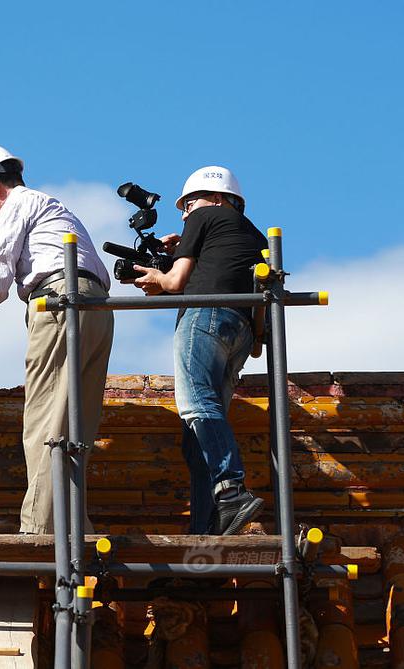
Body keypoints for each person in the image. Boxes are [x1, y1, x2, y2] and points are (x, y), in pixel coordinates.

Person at [0, 145, 114, 535]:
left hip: (60, 304)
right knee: (76, 429)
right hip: (97, 308)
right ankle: (73, 531)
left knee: (44, 426)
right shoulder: (53, 207)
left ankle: (38, 534)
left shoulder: (17, 203)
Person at [130, 166, 267, 535]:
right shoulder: (254, 236)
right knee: (197, 436)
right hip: (240, 330)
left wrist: (158, 278)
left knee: (195, 405)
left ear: (218, 198)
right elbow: (257, 319)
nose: (184, 214)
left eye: (189, 204)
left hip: (204, 316)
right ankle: (209, 526)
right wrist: (183, 250)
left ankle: (231, 490)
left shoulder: (204, 217)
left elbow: (176, 281)